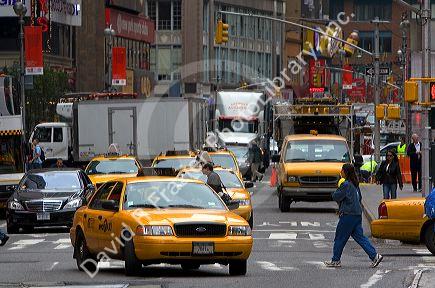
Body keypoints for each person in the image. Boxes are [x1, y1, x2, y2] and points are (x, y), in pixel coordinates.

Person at [324, 163, 383, 268]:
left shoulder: (345, 184)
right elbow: (359, 198)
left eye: (342, 170)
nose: (340, 172)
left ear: (345, 172)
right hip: (357, 214)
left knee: (339, 237)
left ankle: (335, 260)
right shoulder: (355, 184)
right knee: (359, 237)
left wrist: (337, 191)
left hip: (348, 214)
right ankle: (375, 256)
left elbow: (336, 196)